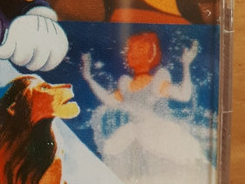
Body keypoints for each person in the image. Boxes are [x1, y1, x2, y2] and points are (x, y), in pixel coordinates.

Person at [81, 32, 203, 162]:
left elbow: (184, 95)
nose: (133, 54)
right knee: (113, 152)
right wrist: (89, 78)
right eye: (131, 50)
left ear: (151, 55)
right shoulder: (127, 85)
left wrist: (186, 65)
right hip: (133, 133)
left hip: (155, 133)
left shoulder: (156, 82)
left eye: (140, 50)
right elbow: (108, 100)